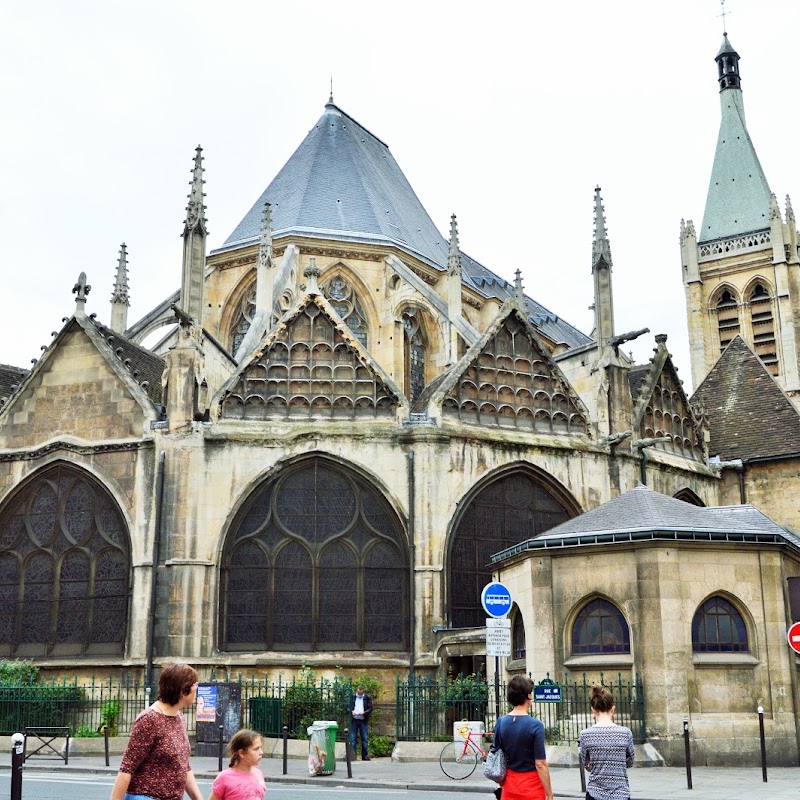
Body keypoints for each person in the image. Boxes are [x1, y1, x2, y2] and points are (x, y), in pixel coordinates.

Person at [110, 662, 203, 800]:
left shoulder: (178, 716)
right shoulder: (149, 720)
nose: (197, 688)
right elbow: (127, 768)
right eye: (195, 684)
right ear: (183, 691)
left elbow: (183, 765)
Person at [490, 675, 553, 800]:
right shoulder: (536, 725)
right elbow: (540, 764)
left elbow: (496, 754)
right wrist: (549, 794)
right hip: (532, 786)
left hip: (509, 785)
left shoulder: (501, 722)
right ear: (528, 696)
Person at [579, 683, 635, 800]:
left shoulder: (585, 735)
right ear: (613, 709)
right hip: (620, 793)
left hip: (595, 792)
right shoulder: (625, 733)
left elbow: (588, 766)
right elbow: (630, 762)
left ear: (593, 710)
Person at [208, 729, 266, 800]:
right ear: (241, 753)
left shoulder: (258, 774)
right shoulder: (224, 778)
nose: (261, 752)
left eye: (260, 748)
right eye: (256, 749)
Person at [349, 684, 373, 760]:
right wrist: (351, 711)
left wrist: (364, 712)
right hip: (354, 719)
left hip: (363, 720)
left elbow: (370, 708)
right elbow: (348, 707)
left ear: (363, 692)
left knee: (365, 738)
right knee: (353, 738)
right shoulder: (353, 697)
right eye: (358, 693)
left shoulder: (367, 698)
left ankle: (364, 756)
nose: (359, 694)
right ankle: (353, 755)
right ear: (357, 691)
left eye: (361, 693)